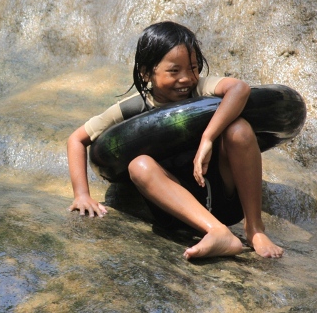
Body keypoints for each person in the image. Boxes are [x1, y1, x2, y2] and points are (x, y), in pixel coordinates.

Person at [67, 21, 284, 259]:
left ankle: (254, 228)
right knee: (139, 165)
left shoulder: (199, 88)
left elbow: (239, 88)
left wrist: (208, 138)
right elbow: (77, 139)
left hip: (225, 199)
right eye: (174, 71)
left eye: (193, 68)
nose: (186, 78)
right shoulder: (130, 109)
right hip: (175, 211)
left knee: (239, 130)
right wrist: (82, 194)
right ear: (146, 73)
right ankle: (217, 232)